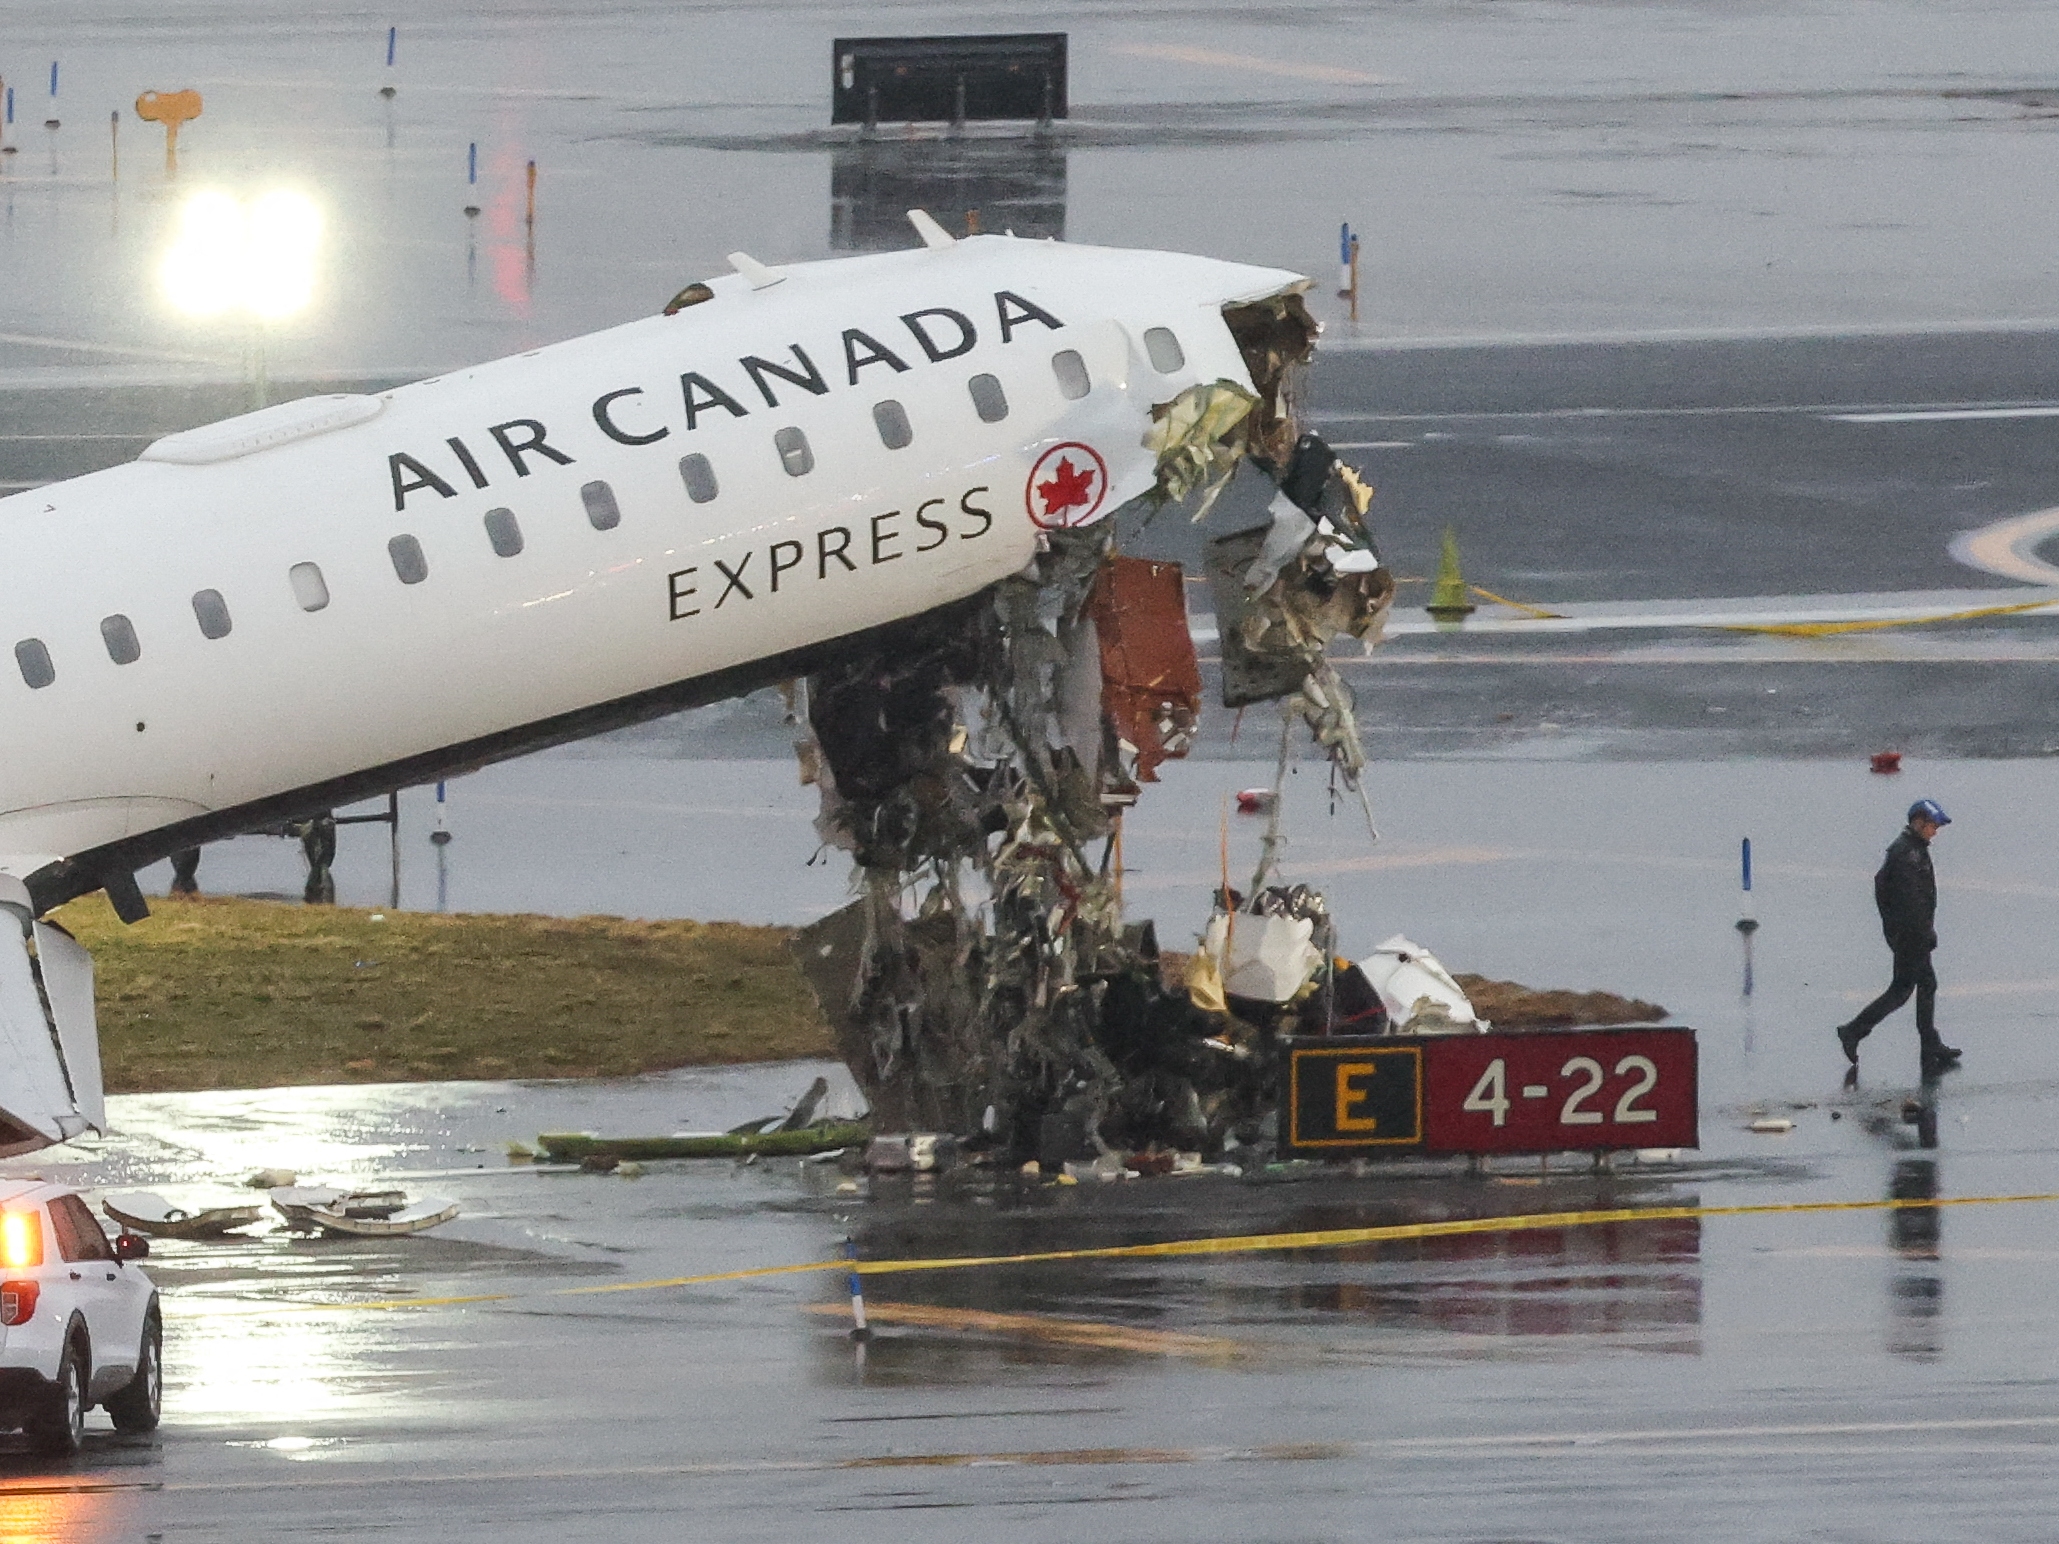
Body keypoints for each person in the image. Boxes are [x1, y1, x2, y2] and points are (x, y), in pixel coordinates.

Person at [1837, 799, 1962, 1076]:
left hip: (1909, 935)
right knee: (1902, 991)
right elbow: (1911, 903)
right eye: (1932, 826)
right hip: (1911, 936)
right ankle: (1853, 1030)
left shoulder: (1909, 850)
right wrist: (1920, 934)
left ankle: (1930, 1042)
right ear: (1919, 823)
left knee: (1926, 984)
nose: (1935, 832)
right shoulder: (1908, 855)